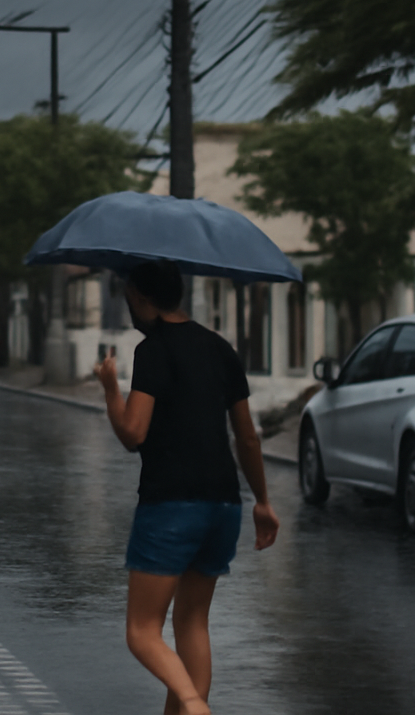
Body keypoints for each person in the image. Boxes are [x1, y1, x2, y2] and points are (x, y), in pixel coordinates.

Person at [92, 261, 279, 715]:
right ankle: (190, 706)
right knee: (192, 622)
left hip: (172, 505)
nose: (128, 307)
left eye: (128, 297)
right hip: (224, 505)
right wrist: (264, 502)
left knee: (142, 631)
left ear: (140, 296)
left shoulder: (153, 350)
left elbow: (134, 434)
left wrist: (110, 389)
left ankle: (195, 705)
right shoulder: (221, 349)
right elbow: (248, 436)